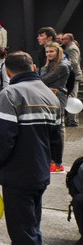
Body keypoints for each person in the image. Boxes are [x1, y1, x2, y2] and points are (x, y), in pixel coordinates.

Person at [0, 51, 62, 245]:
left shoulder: (10, 95)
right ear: (32, 66)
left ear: (8, 72)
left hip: (18, 176)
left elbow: (3, 139)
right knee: (32, 231)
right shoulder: (50, 95)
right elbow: (57, 138)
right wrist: (53, 161)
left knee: (23, 235)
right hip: (39, 174)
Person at [39, 41, 69, 173]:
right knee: (49, 128)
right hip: (49, 96)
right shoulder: (50, 64)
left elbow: (42, 80)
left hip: (58, 98)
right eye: (47, 52)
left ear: (58, 52)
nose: (49, 54)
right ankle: (51, 160)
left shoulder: (63, 65)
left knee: (58, 129)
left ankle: (57, 162)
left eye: (51, 51)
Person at [61, 33, 82, 127]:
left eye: (64, 39)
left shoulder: (72, 48)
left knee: (72, 98)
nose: (62, 40)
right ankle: (71, 119)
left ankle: (73, 121)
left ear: (69, 39)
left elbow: (73, 62)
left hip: (73, 76)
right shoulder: (69, 47)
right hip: (71, 75)